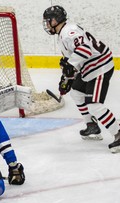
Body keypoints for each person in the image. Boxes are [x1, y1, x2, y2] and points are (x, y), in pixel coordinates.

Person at [42, 5, 120, 153]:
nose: (46, 24)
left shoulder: (69, 33)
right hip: (89, 68)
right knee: (76, 92)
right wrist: (67, 79)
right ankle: (92, 126)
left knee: (94, 105)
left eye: (48, 21)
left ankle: (118, 133)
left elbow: (85, 49)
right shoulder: (63, 34)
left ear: (56, 20)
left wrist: (70, 66)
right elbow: (72, 61)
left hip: (99, 67)